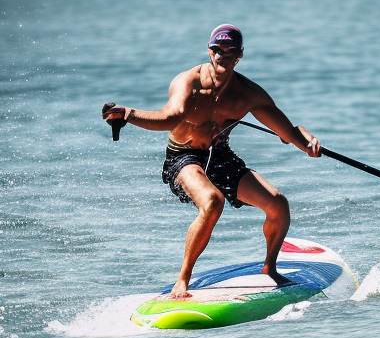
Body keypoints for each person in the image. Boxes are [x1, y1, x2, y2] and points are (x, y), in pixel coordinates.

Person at [102, 24, 321, 299]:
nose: (221, 56)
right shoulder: (189, 82)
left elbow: (287, 132)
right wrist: (129, 113)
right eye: (216, 50)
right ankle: (182, 279)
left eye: (229, 52)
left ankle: (270, 269)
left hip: (219, 156)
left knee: (278, 204)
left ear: (239, 55)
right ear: (209, 51)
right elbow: (170, 117)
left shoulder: (248, 94)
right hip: (183, 155)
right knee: (212, 202)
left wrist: (308, 142)